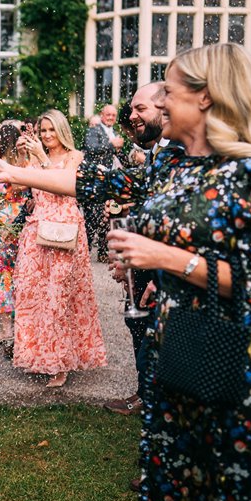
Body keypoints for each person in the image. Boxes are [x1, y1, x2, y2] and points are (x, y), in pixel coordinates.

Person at [0, 43, 251, 501]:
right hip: (174, 351)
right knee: (173, 499)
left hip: (234, 363)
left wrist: (165, 260)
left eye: (168, 92)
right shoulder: (173, 165)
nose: (154, 104)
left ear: (207, 98)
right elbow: (97, 181)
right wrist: (13, 173)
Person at [11, 110, 105, 388]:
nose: (47, 136)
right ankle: (39, 357)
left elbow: (66, 187)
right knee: (33, 294)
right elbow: (17, 185)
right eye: (43, 131)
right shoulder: (36, 155)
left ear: (61, 130)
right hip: (36, 231)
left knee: (59, 297)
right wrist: (23, 158)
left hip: (65, 233)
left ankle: (60, 364)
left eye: (51, 130)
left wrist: (40, 158)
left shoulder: (74, 156)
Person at [103, 82, 165, 419]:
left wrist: (162, 274)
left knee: (154, 343)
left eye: (140, 109)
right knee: (137, 326)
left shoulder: (177, 156)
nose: (131, 116)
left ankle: (152, 400)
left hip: (164, 271)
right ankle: (145, 393)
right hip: (144, 265)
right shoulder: (154, 155)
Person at [0, 123, 31, 348]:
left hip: (2, 224)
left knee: (4, 275)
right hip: (24, 221)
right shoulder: (24, 165)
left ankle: (6, 330)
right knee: (25, 273)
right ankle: (25, 328)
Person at [82, 104, 123, 262]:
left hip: (110, 180)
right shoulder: (94, 131)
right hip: (94, 179)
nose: (111, 118)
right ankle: (84, 250)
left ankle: (104, 252)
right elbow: (91, 148)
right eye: (108, 115)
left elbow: (118, 155)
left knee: (108, 214)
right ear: (102, 115)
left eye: (114, 115)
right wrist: (111, 145)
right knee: (92, 216)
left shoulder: (115, 132)